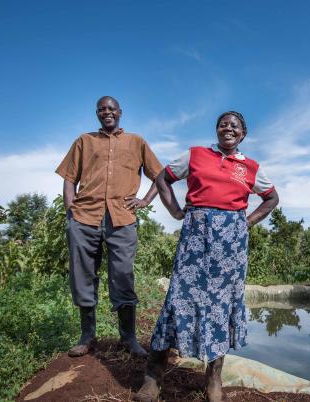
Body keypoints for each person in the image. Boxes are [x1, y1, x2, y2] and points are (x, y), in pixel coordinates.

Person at [134, 111, 279, 402]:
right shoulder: (196, 155)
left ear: (243, 134)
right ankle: (153, 376)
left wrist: (246, 222)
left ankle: (213, 379)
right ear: (217, 130)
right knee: (178, 297)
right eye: (223, 124)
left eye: (234, 126)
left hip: (231, 245)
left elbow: (272, 198)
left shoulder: (250, 167)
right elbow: (163, 178)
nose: (228, 128)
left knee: (221, 305)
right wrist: (176, 212)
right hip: (195, 237)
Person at [55, 96, 163, 358]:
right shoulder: (84, 141)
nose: (107, 112)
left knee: (123, 275)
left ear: (120, 112)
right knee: (82, 276)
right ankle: (87, 336)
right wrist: (71, 212)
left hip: (122, 219)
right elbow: (69, 179)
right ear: (97, 113)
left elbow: (160, 176)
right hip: (84, 218)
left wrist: (145, 200)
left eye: (111, 109)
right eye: (102, 109)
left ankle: (128, 338)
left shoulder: (136, 142)